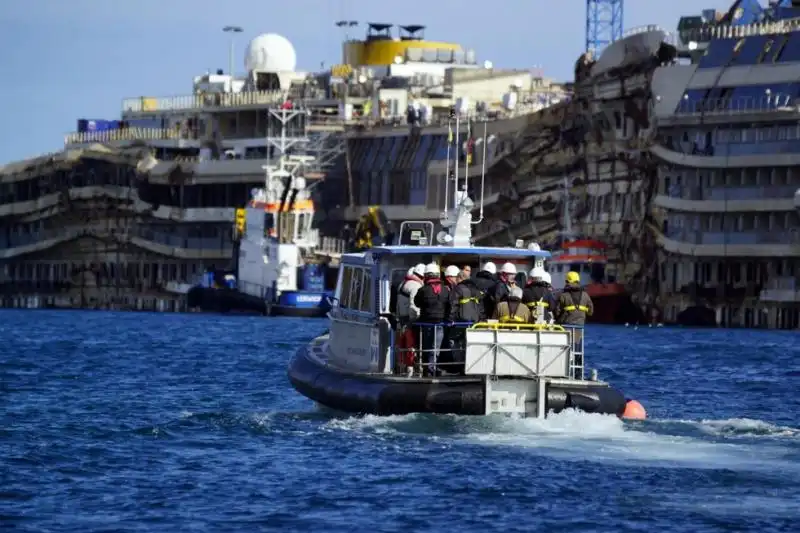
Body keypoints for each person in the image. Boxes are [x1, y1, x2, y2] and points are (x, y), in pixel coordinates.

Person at [413, 263, 451, 376]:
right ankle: (432, 367)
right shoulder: (445, 290)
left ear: (427, 275)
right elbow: (450, 305)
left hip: (426, 322)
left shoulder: (423, 290)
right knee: (436, 347)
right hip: (440, 322)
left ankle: (427, 368)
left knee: (427, 345)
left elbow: (417, 303)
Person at [556, 270, 593, 379]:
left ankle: (563, 373)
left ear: (568, 281)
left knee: (564, 351)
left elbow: (557, 312)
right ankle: (578, 374)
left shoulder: (564, 296)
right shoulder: (586, 296)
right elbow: (591, 311)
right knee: (578, 352)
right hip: (579, 329)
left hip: (565, 329)